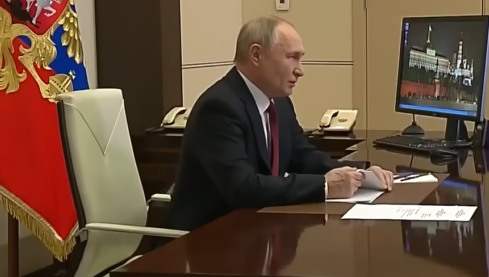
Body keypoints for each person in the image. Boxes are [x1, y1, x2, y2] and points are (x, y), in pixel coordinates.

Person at [167, 17, 395, 231]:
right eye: (291, 57)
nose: (300, 70)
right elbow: (242, 188)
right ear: (256, 55)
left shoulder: (279, 102)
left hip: (258, 230)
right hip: (210, 238)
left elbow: (302, 156)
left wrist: (361, 175)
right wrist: (324, 186)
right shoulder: (219, 108)